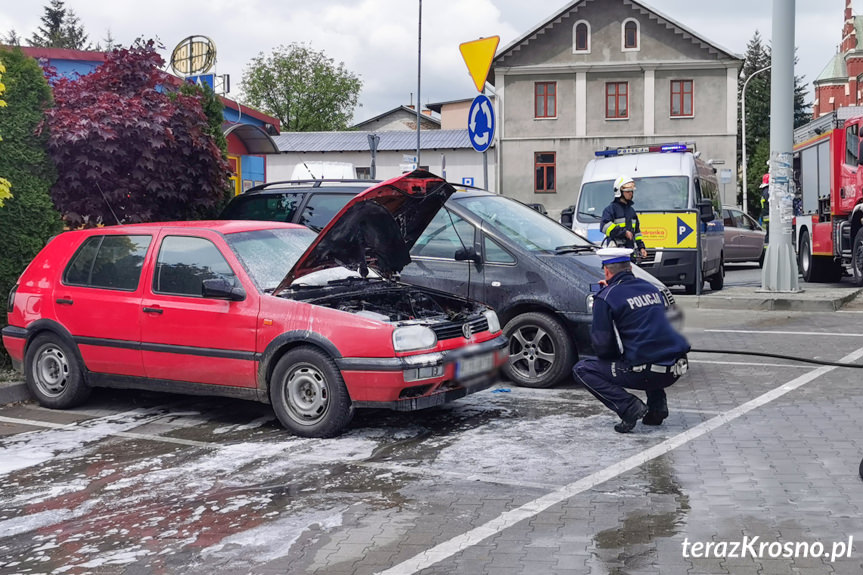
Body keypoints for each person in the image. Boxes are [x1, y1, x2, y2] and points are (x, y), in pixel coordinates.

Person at [573, 247, 690, 433]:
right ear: (630, 268)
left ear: (606, 271)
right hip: (676, 367)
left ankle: (629, 407)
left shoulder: (606, 297)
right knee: (647, 347)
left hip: (647, 373)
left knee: (582, 369)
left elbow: (603, 345)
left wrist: (614, 359)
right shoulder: (651, 288)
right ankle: (657, 408)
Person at [600, 175, 648, 258]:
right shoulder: (611, 209)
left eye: (631, 191)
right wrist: (624, 233)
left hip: (630, 252)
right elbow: (604, 226)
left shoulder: (631, 211)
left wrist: (641, 247)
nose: (631, 193)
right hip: (616, 252)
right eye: (628, 191)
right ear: (619, 192)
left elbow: (637, 232)